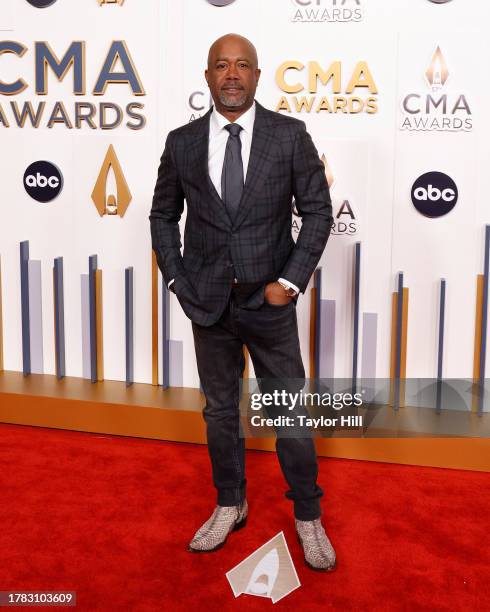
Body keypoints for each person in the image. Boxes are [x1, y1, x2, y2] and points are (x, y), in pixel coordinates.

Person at [149, 33, 335, 571]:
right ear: (207, 76)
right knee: (220, 413)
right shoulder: (181, 142)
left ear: (258, 75)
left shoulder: (289, 136)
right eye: (222, 66)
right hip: (208, 303)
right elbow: (163, 216)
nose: (232, 74)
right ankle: (230, 503)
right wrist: (179, 282)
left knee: (288, 411)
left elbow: (318, 213)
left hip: (269, 303)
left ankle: (307, 513)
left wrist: (290, 283)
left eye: (243, 65)